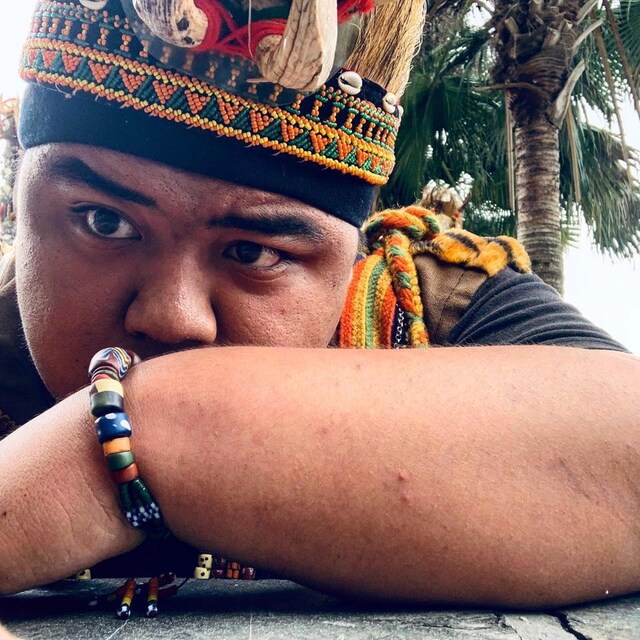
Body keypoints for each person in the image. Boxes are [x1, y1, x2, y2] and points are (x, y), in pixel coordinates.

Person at [0, 0, 639, 615]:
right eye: (104, 221)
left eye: (253, 252)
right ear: (18, 205)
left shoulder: (422, 302)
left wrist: (135, 433)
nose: (173, 318)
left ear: (349, 256)